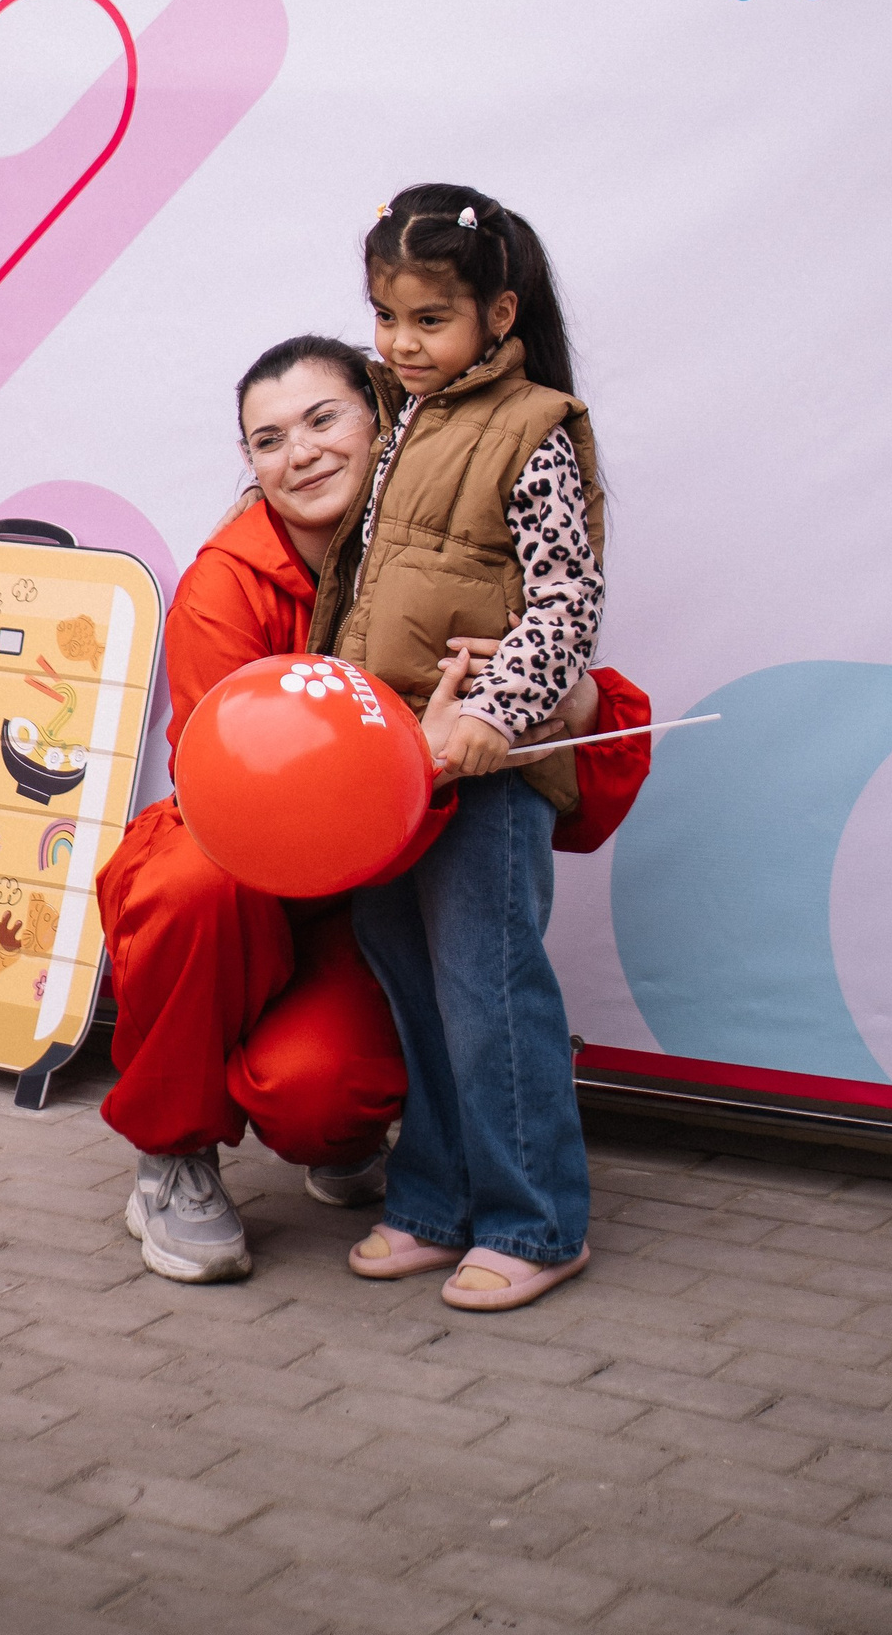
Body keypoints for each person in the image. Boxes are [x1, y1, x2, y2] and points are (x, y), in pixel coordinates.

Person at [99, 328, 649, 1286]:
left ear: (384, 417)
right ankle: (172, 1156)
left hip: (377, 888)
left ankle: (356, 1139)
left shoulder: (446, 541)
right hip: (250, 878)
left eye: (324, 420)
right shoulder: (225, 586)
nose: (301, 453)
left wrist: (567, 703)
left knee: (324, 1093)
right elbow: (238, 805)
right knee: (190, 886)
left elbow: (557, 696)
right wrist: (412, 763)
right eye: (269, 440)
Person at [316, 184, 613, 1312]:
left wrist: (497, 717)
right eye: (386, 316)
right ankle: (435, 1202)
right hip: (387, 762)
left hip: (485, 768)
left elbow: (566, 603)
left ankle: (536, 1221)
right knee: (412, 986)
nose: (402, 342)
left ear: (499, 315)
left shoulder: (537, 427)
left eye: (430, 319)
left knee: (489, 995)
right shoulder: (397, 415)